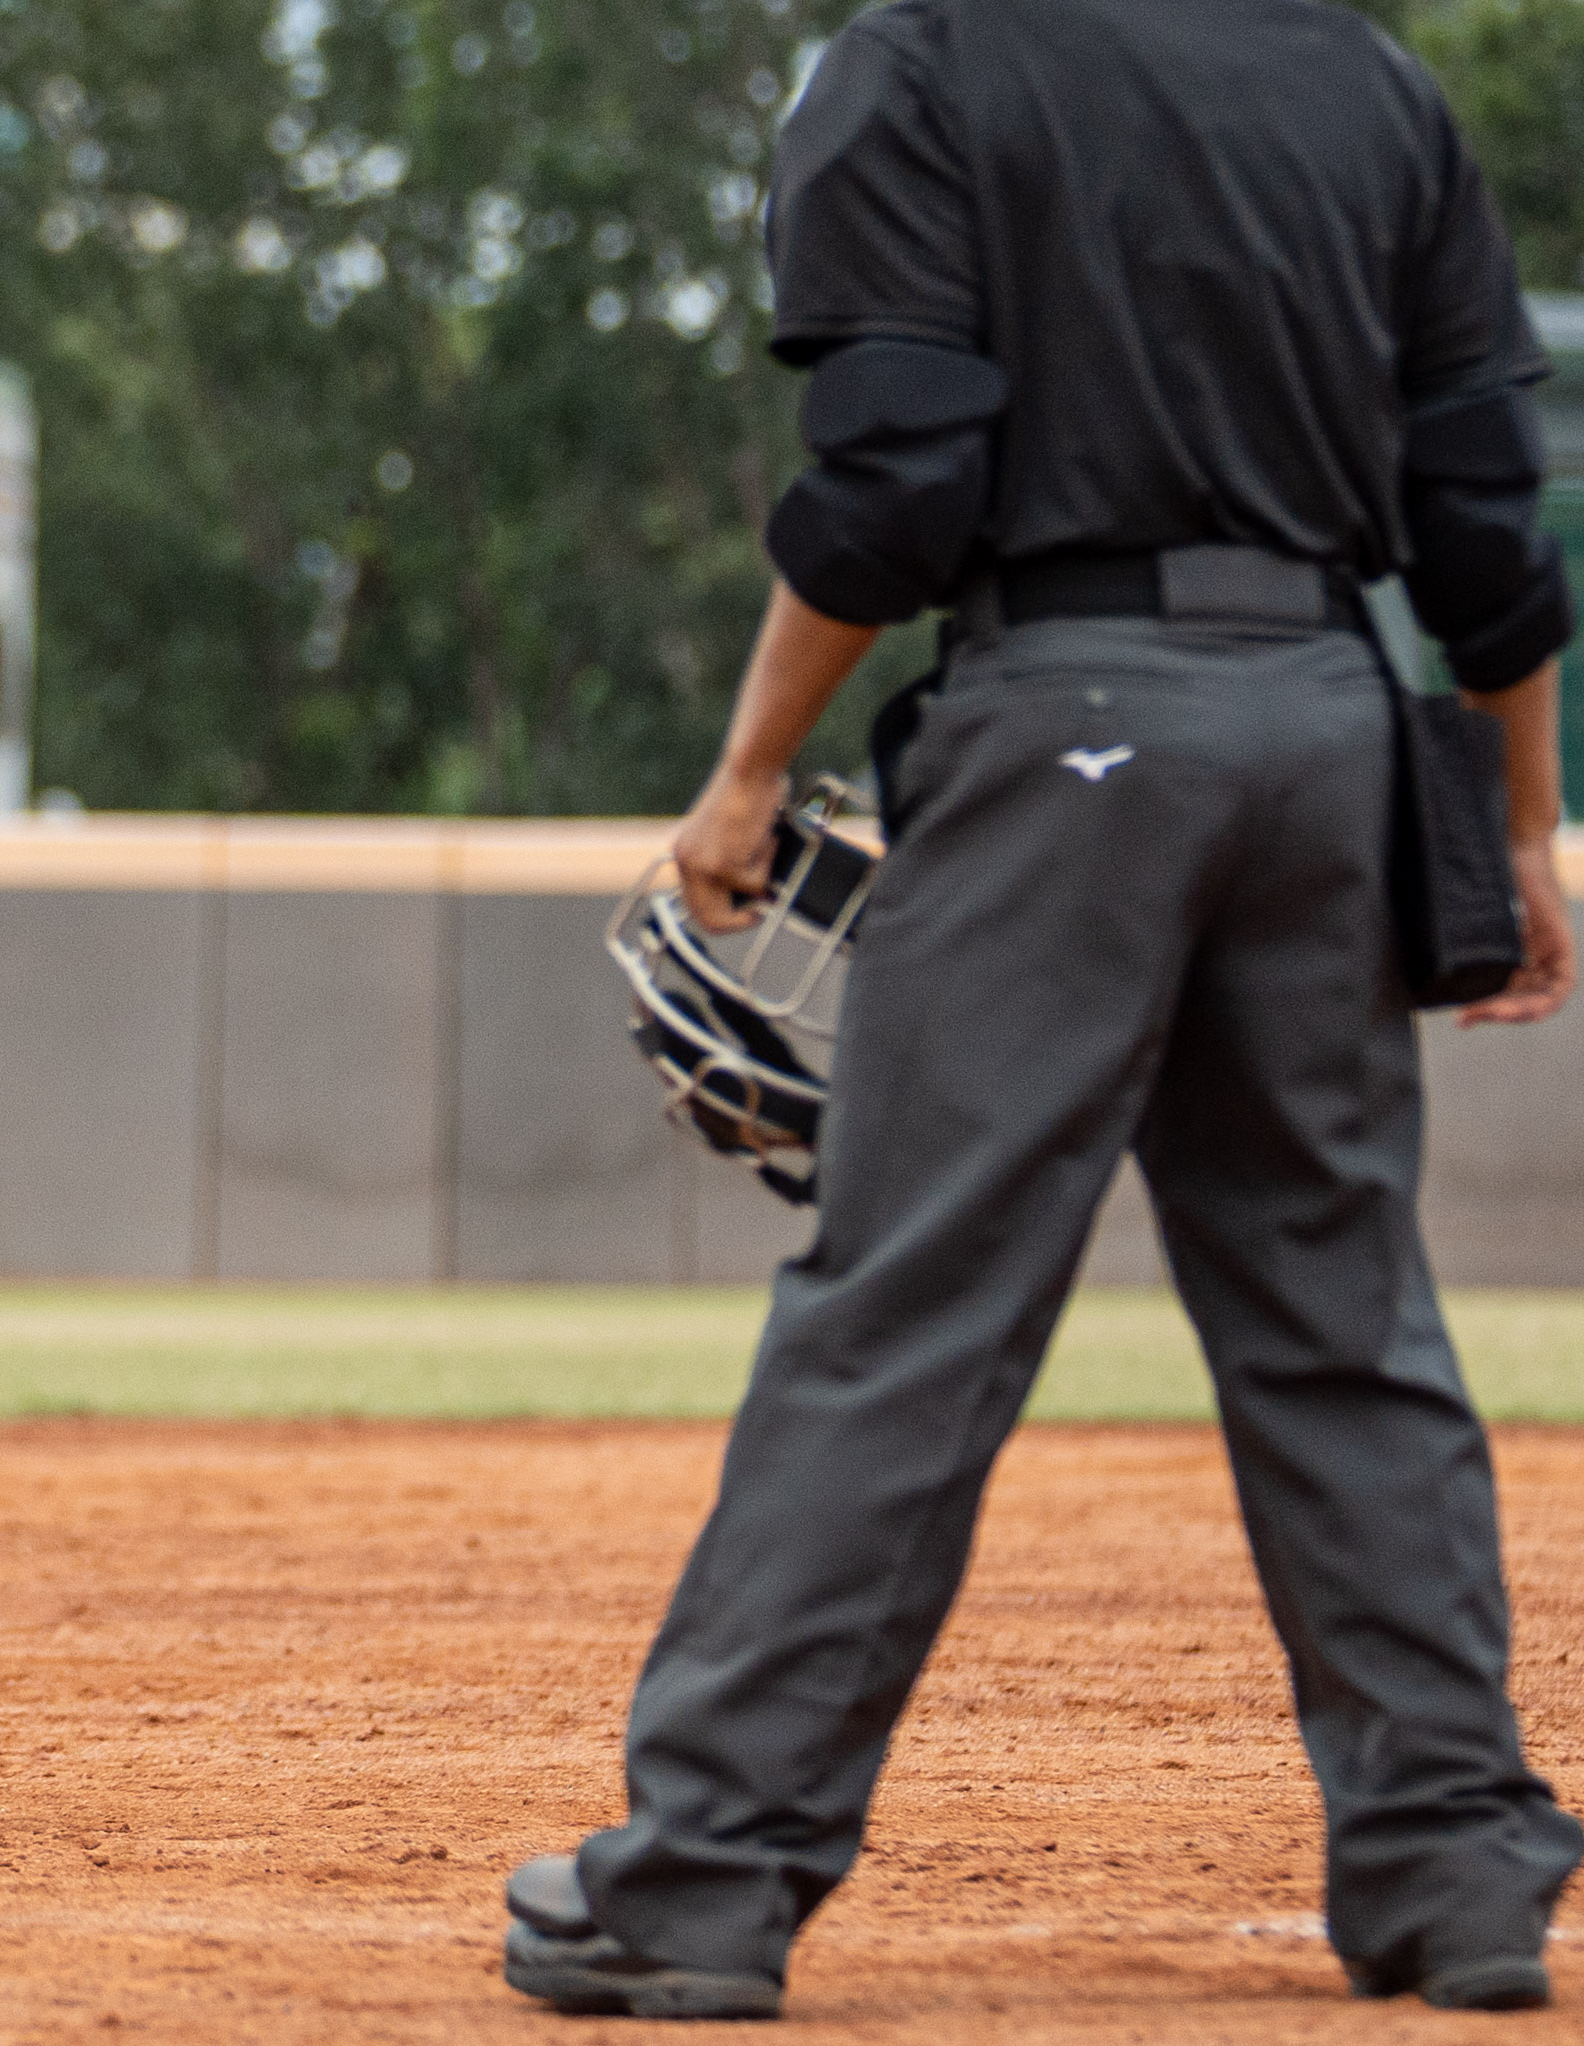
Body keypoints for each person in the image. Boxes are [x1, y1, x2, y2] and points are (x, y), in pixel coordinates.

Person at [502, 0, 1584, 2018]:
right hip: (1330, 728)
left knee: (908, 1315)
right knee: (1346, 1321)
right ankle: (1456, 1878)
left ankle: (707, 1879)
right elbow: (1484, 521)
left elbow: (897, 479)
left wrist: (747, 772)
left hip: (1068, 716)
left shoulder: (915, 69)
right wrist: (1526, 826)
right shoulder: (1370, 84)